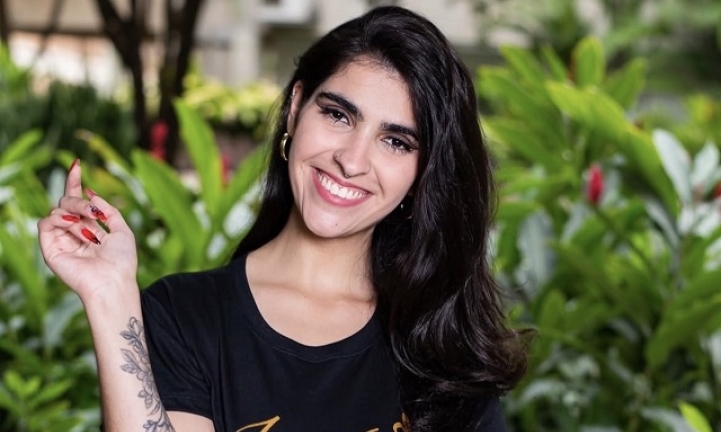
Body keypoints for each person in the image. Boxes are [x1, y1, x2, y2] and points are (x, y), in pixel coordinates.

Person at [38, 6, 527, 432]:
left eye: (396, 141)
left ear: (422, 174)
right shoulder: (184, 317)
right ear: (295, 109)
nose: (352, 161)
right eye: (338, 115)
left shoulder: (441, 344)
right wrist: (110, 297)